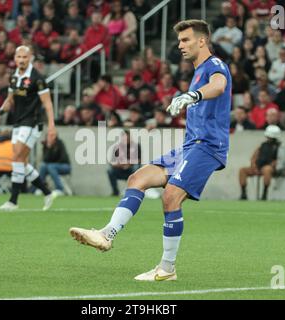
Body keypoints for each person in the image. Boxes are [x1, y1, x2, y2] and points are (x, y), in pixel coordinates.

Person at [70, 20, 232, 281]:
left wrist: (193, 96)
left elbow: (219, 85)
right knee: (138, 178)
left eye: (186, 40)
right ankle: (106, 234)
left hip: (208, 146)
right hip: (190, 146)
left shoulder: (214, 66)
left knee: (170, 197)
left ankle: (167, 269)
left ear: (202, 41)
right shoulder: (197, 70)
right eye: (179, 41)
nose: (180, 45)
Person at [0, 45, 57, 211]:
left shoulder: (38, 78)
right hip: (18, 122)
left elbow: (48, 103)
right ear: (15, 58)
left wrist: (51, 126)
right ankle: (47, 192)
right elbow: (10, 99)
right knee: (21, 161)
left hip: (32, 123)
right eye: (19, 57)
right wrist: (0, 112)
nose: (21, 60)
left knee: (16, 158)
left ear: (31, 58)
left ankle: (13, 201)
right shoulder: (14, 77)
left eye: (25, 57)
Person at [239, 125, 281, 201]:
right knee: (242, 170)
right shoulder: (263, 145)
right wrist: (254, 166)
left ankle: (264, 194)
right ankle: (243, 193)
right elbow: (254, 156)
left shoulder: (279, 146)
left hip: (270, 168)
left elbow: (280, 159)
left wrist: (273, 164)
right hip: (258, 167)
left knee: (267, 169)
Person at [106, 130, 141, 196]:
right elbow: (112, 161)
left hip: (131, 169)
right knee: (110, 171)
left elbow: (138, 160)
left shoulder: (136, 146)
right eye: (124, 137)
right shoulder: (117, 147)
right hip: (120, 169)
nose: (126, 139)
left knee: (136, 167)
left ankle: (135, 190)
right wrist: (120, 165)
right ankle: (115, 191)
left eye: (127, 137)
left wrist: (128, 163)